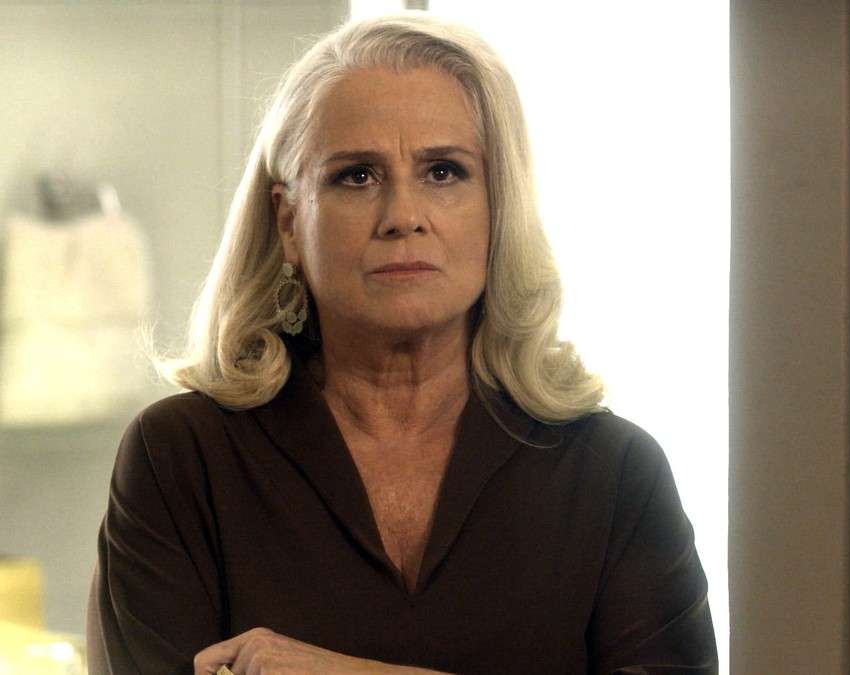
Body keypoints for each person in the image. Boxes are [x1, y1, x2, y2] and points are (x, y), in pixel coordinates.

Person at [86, 12, 716, 675]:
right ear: (289, 221)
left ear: (499, 209)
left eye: (443, 171)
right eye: (357, 176)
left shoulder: (616, 473)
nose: (403, 217)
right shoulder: (181, 457)